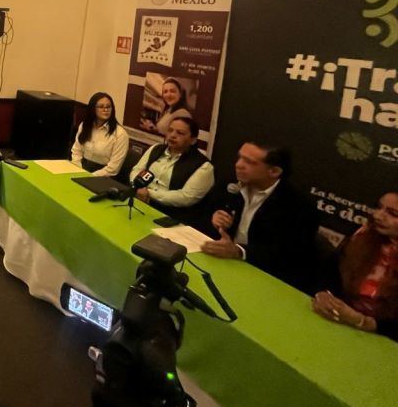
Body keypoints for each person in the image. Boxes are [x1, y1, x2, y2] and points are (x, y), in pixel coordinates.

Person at [201, 142, 319, 292]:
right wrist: (214, 218)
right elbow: (203, 216)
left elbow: (289, 254)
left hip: (267, 278)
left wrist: (239, 251)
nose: (238, 165)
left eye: (249, 162)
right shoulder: (230, 185)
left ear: (274, 171)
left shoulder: (298, 206)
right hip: (224, 264)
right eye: (239, 157)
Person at [312, 191, 398, 341]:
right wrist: (324, 294)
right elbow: (329, 273)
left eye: (392, 214)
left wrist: (362, 321)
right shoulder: (361, 235)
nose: (378, 216)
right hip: (339, 323)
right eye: (379, 207)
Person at [131, 117, 214, 228]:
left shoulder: (204, 166)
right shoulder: (156, 149)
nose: (173, 135)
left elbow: (185, 197)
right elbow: (136, 170)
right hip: (140, 201)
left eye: (180, 133)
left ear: (193, 140)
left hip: (171, 217)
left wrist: (149, 193)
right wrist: (138, 186)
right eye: (170, 130)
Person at [70, 92, 129, 178]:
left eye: (108, 107)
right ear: (92, 109)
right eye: (101, 107)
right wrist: (78, 170)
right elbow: (76, 151)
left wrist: (89, 177)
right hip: (81, 169)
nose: (105, 110)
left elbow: (113, 169)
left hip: (103, 176)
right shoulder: (84, 126)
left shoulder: (120, 134)